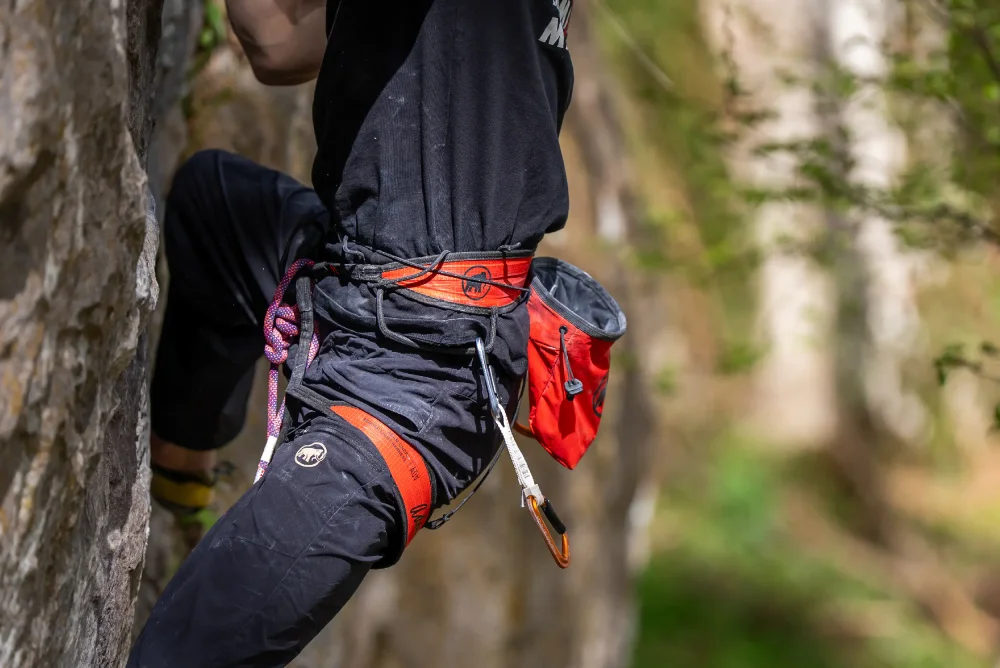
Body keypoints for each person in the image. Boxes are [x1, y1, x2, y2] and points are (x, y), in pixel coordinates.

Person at [128, 0, 575, 665]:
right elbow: (280, 47)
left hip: (409, 385)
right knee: (212, 205)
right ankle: (182, 476)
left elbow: (270, 42)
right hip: (369, 288)